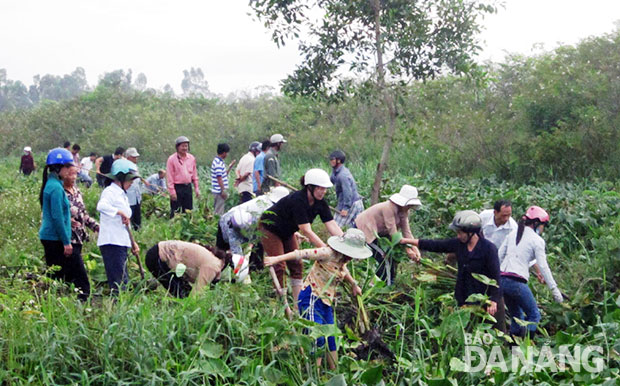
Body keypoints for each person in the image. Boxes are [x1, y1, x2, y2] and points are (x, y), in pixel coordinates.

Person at [264, 228, 369, 370]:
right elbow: (301, 254)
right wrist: (276, 259)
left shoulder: (343, 259)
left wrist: (354, 284)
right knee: (317, 337)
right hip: (311, 298)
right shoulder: (327, 253)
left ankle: (334, 372)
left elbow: (344, 270)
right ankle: (315, 373)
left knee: (331, 338)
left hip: (326, 301)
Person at [259, 168, 343, 306]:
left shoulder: (321, 203)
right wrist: (325, 250)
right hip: (270, 229)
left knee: (297, 264)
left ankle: (298, 305)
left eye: (325, 189)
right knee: (279, 266)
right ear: (310, 187)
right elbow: (306, 230)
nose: (323, 192)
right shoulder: (298, 200)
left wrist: (344, 243)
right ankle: (282, 304)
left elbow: (332, 225)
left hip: (287, 231)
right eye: (320, 188)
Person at [402, 210, 501, 320]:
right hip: (464, 296)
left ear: (471, 232)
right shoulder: (459, 244)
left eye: (460, 233)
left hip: (484, 299)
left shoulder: (488, 249)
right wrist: (407, 241)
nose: (458, 236)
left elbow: (496, 277)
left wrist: (494, 300)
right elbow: (435, 245)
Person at [498, 206, 564, 338]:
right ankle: (527, 343)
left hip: (502, 280)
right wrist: (555, 291)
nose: (542, 229)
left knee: (517, 316)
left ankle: (513, 346)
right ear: (536, 224)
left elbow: (499, 256)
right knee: (534, 314)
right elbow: (544, 266)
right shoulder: (537, 240)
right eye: (542, 225)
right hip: (516, 282)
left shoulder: (512, 235)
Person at [38, 148, 87, 300]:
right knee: (77, 275)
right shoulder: (56, 188)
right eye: (67, 166)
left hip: (53, 237)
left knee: (59, 275)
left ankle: (59, 303)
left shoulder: (54, 184)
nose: (70, 170)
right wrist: (66, 242)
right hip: (54, 238)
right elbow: (57, 217)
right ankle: (80, 302)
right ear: (58, 168)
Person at [354, 184, 422, 285]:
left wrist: (416, 250)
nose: (409, 207)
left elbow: (407, 232)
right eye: (409, 205)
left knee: (391, 257)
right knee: (383, 256)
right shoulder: (388, 208)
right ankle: (386, 285)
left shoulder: (404, 212)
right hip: (365, 230)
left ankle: (385, 283)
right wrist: (408, 250)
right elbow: (393, 233)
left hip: (380, 233)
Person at [217, 186, 290, 270]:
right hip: (231, 221)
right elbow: (237, 255)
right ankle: (219, 270)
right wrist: (240, 271)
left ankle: (256, 268)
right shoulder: (232, 231)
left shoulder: (265, 204)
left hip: (248, 221)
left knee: (258, 243)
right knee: (221, 251)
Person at [96, 159, 140, 294]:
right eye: (129, 179)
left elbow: (126, 222)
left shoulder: (122, 195)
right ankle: (116, 308)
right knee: (119, 282)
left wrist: (133, 243)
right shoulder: (110, 192)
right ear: (120, 178)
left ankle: (121, 307)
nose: (131, 182)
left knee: (123, 280)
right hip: (112, 242)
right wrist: (118, 212)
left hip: (121, 241)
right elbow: (101, 206)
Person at [145, 241, 247, 297]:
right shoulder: (213, 267)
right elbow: (197, 294)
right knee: (183, 295)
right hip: (158, 257)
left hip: (160, 254)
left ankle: (149, 285)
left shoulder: (216, 262)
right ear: (230, 268)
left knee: (183, 290)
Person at [63, 165, 99, 301]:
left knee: (72, 270)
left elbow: (83, 214)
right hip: (67, 238)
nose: (73, 177)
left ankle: (75, 298)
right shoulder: (60, 192)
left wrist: (95, 226)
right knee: (79, 272)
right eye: (70, 174)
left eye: (75, 174)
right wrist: (67, 220)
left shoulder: (76, 191)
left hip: (79, 237)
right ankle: (83, 298)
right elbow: (54, 215)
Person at [329, 150, 364, 228]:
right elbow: (330, 181)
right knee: (353, 229)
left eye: (332, 159)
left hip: (352, 203)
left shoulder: (343, 175)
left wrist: (345, 208)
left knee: (335, 227)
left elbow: (348, 192)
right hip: (352, 202)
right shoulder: (336, 171)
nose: (330, 161)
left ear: (339, 160)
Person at [166, 136, 200, 217]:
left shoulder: (191, 158)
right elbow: (169, 177)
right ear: (177, 147)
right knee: (175, 211)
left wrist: (196, 188)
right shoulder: (171, 159)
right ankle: (174, 227)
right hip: (177, 187)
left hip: (187, 187)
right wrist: (172, 192)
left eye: (186, 146)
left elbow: (194, 175)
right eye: (183, 146)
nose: (185, 148)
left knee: (188, 210)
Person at [124, 147, 143, 230]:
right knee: (129, 215)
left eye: (136, 157)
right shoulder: (124, 167)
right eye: (134, 157)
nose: (136, 158)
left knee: (137, 217)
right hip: (129, 196)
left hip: (136, 196)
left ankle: (138, 230)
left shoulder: (135, 167)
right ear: (128, 157)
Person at [211, 143, 231, 215]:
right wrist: (223, 191)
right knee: (218, 212)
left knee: (219, 210)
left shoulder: (219, 161)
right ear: (224, 153)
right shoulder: (218, 163)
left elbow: (223, 175)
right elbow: (219, 178)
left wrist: (230, 167)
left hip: (218, 191)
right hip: (218, 192)